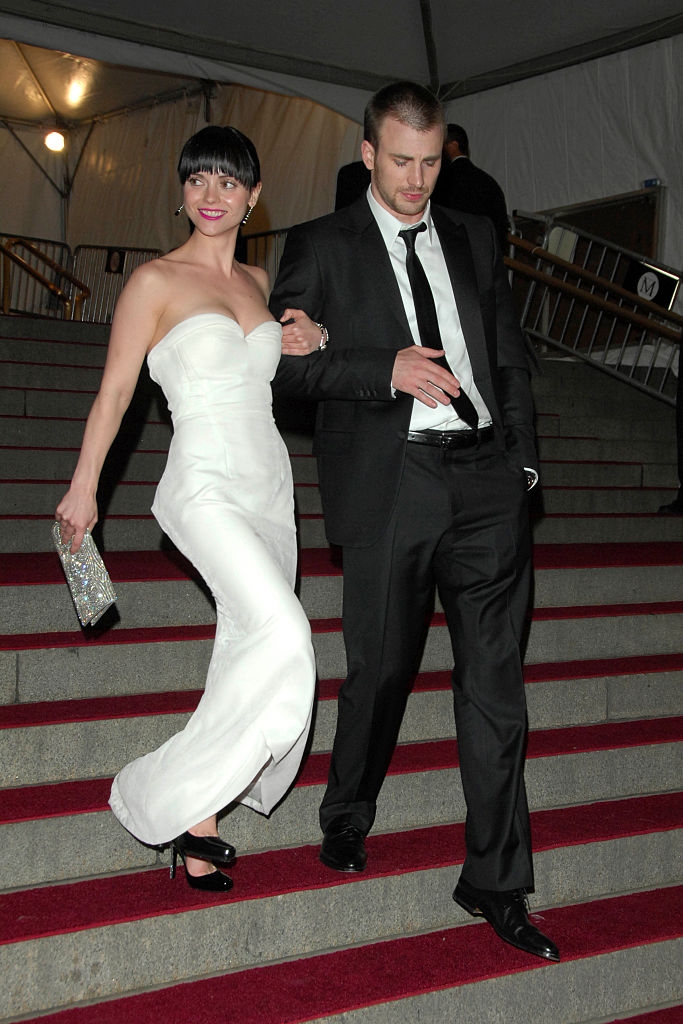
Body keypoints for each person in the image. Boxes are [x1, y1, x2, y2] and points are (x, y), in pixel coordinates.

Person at [269, 82, 559, 962]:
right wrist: (379, 368)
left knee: (495, 694)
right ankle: (348, 811)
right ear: (367, 153)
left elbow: (506, 353)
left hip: (483, 486)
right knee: (381, 670)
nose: (416, 179)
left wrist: (520, 462)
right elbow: (285, 376)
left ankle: (496, 880)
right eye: (400, 160)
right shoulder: (319, 246)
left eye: (431, 162)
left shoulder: (471, 236)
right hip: (391, 481)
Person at [56, 126, 316, 893]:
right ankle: (157, 795)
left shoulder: (259, 280)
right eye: (197, 179)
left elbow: (271, 358)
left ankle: (200, 828)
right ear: (181, 191)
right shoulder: (153, 283)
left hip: (269, 483)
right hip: (198, 483)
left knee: (245, 643)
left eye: (227, 182)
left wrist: (309, 332)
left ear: (253, 197)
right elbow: (116, 392)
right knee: (284, 632)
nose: (211, 195)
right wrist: (84, 485)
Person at [431, 122, 510, 252]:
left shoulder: (444, 180)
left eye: (440, 146)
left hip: (460, 254)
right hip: (493, 254)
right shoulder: (489, 181)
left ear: (453, 146)